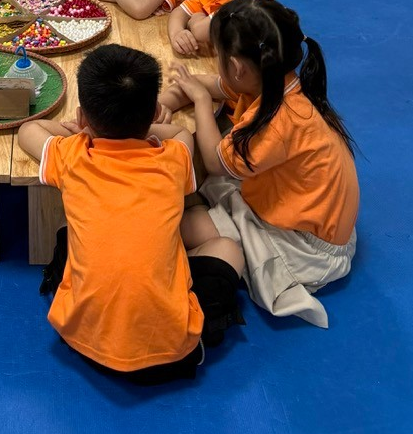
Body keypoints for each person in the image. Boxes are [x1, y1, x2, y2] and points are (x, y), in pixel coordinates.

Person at [18, 44, 244, 380]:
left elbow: (27, 131)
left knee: (70, 233)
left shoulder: (73, 155)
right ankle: (195, 328)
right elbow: (181, 132)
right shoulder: (174, 157)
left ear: (82, 116)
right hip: (173, 353)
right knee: (228, 248)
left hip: (83, 340)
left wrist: (83, 131)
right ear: (155, 112)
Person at [161, 0, 358, 328]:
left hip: (309, 251)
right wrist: (169, 99)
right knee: (205, 196)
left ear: (236, 67)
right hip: (319, 220)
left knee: (186, 222)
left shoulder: (277, 122)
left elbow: (215, 161)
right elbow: (214, 84)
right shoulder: (276, 78)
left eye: (218, 57)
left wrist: (200, 100)